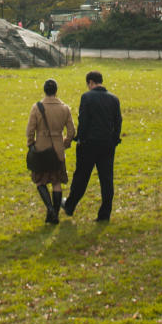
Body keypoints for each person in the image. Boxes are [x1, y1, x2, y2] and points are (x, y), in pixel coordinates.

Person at [63, 70, 122, 222]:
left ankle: (70, 205)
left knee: (81, 177)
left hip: (88, 144)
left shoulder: (87, 97)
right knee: (106, 179)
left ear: (90, 82)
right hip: (107, 144)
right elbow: (118, 122)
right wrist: (114, 140)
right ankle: (104, 214)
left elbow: (84, 121)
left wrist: (79, 138)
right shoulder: (114, 99)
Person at [26, 78, 76, 224]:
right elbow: (72, 131)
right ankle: (55, 214)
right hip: (57, 149)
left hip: (41, 148)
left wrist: (31, 144)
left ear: (44, 90)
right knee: (56, 181)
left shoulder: (36, 107)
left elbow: (30, 130)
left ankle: (51, 210)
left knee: (40, 181)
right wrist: (64, 143)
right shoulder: (65, 108)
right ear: (56, 90)